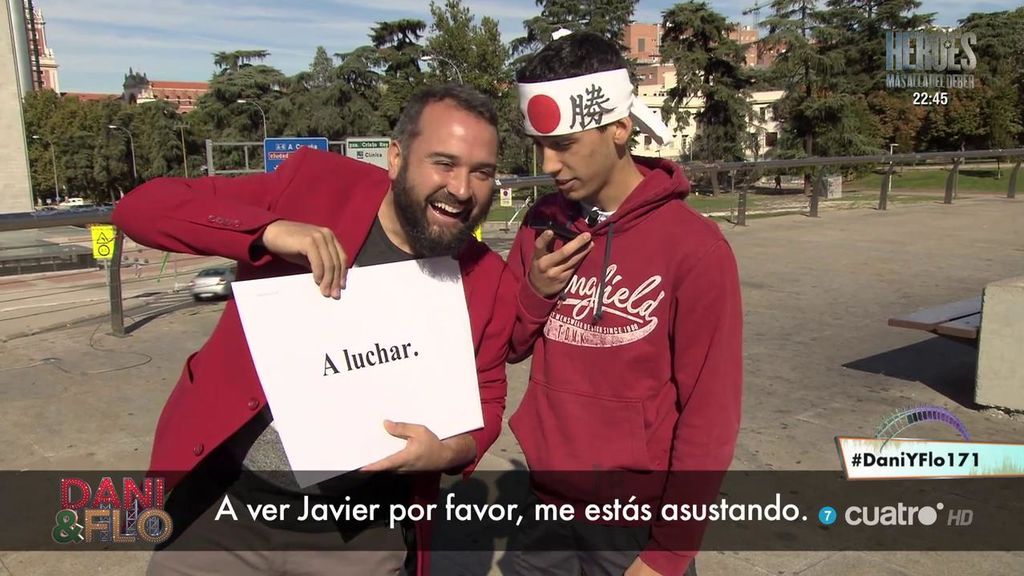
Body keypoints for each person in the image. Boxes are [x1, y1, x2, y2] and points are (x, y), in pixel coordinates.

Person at [112, 84, 514, 576]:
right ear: (395, 157)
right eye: (444, 163)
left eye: (482, 172)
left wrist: (449, 450)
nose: (461, 188)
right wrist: (266, 231)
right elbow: (141, 209)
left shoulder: (485, 276)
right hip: (221, 512)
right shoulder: (315, 185)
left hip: (360, 535)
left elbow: (488, 397)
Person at [502, 31, 743, 576]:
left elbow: (711, 414)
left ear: (619, 127)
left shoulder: (696, 248)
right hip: (544, 508)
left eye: (563, 144)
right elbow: (510, 346)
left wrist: (668, 553)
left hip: (636, 526)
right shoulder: (543, 225)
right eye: (539, 145)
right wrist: (535, 293)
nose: (548, 163)